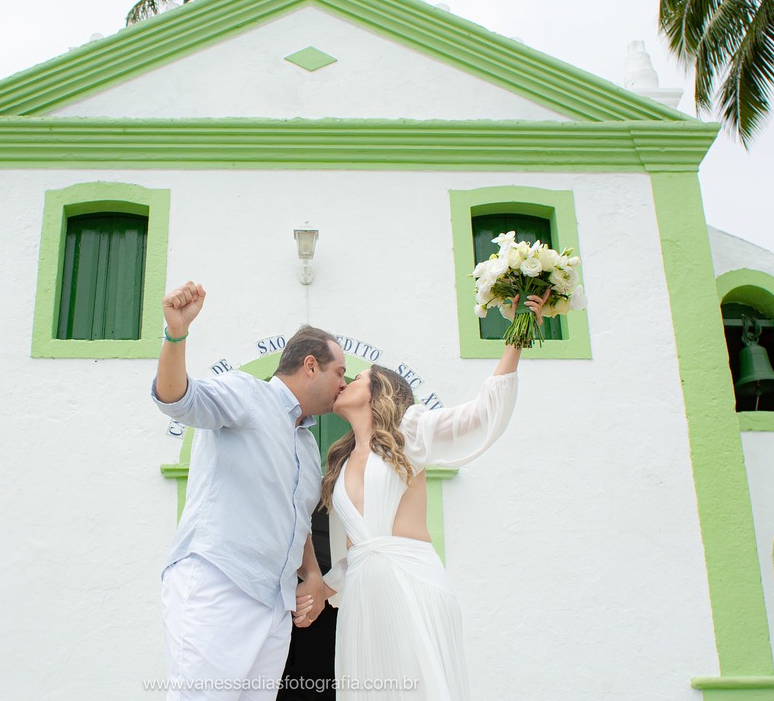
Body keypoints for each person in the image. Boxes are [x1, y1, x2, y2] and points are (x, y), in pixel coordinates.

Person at [294, 292, 547, 700]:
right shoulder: (338, 463)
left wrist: (515, 340)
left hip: (412, 585)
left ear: (379, 393)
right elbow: (354, 550)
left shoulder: (409, 431)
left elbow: (481, 414)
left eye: (355, 378)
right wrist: (323, 586)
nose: (343, 381)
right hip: (362, 601)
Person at [152, 281, 347, 700]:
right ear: (310, 366)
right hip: (220, 583)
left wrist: (312, 573)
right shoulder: (246, 393)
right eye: (339, 373)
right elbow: (177, 399)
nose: (343, 385)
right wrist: (176, 334)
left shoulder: (308, 445)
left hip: (275, 607)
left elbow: (296, 519)